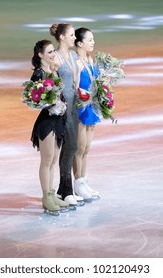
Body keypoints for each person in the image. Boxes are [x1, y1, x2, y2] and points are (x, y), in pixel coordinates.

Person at [30, 39, 69, 213]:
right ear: (40, 55)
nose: (54, 54)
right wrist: (51, 106)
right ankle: (46, 197)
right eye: (50, 52)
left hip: (58, 120)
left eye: (54, 51)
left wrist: (61, 105)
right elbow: (35, 99)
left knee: (54, 160)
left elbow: (58, 95)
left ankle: (52, 194)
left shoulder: (53, 72)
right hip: (46, 122)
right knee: (46, 161)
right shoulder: (38, 75)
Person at [49, 23, 83, 206]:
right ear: (61, 37)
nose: (74, 38)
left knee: (72, 146)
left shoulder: (72, 56)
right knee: (70, 146)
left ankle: (64, 189)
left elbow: (74, 81)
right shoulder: (55, 57)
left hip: (74, 104)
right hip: (63, 107)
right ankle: (66, 189)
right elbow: (51, 82)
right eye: (71, 35)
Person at [73, 27, 100, 200]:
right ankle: (77, 184)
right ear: (79, 43)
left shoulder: (91, 61)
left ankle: (83, 181)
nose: (93, 43)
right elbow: (73, 86)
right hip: (80, 106)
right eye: (89, 40)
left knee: (87, 148)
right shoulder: (75, 62)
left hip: (91, 106)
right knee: (79, 147)